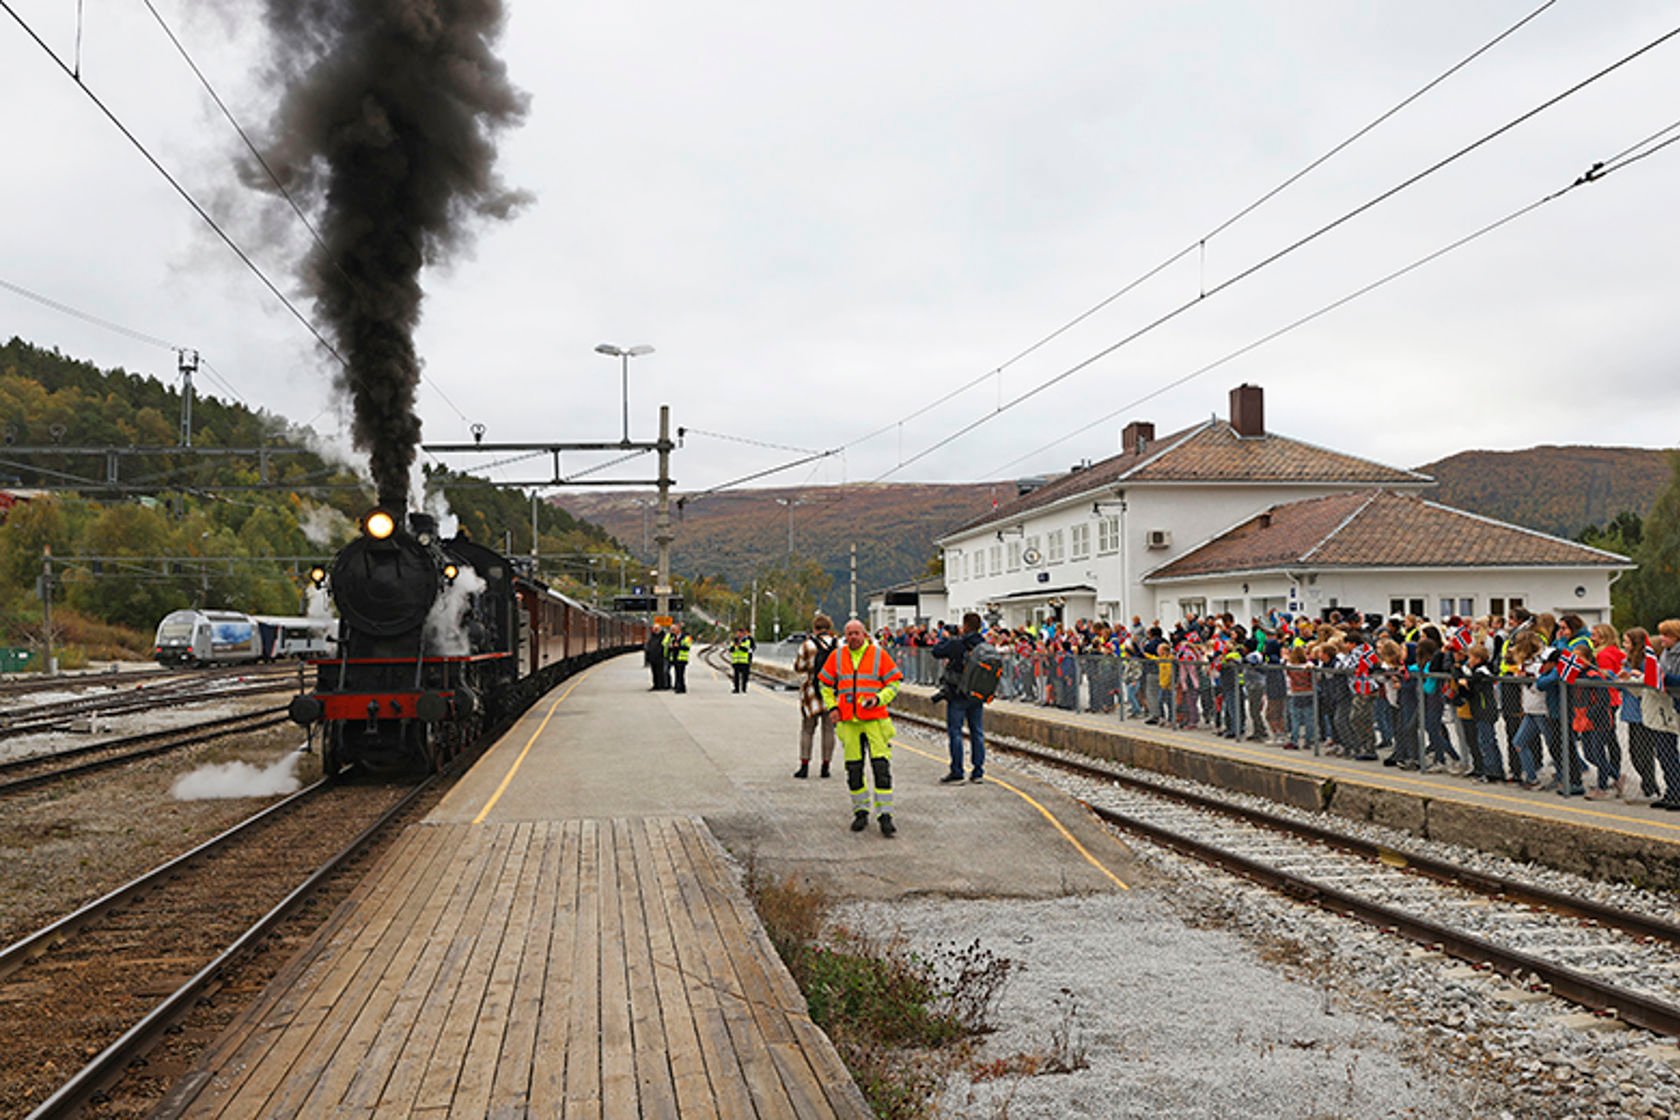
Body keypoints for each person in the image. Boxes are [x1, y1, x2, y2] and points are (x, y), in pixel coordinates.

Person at [818, 618, 902, 836]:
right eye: (849, 633)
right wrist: (832, 707)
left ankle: (885, 816)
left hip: (875, 721)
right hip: (849, 723)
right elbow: (825, 684)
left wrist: (879, 698)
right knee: (854, 771)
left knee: (881, 770)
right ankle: (861, 812)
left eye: (857, 633)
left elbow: (894, 683)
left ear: (865, 635)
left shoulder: (878, 655)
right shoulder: (837, 657)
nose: (853, 637)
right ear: (845, 636)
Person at [933, 612, 987, 783]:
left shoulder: (958, 643)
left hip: (957, 694)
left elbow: (936, 651)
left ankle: (957, 771)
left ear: (964, 626)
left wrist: (947, 637)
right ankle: (978, 771)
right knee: (977, 732)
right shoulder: (983, 645)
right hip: (977, 694)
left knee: (956, 732)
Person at [793, 615, 838, 779]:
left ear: (815, 628)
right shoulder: (838, 645)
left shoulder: (808, 645)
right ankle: (825, 767)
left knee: (807, 730)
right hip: (832, 692)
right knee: (829, 731)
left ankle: (804, 766)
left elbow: (799, 667)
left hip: (812, 692)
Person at [666, 622, 692, 694]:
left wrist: (679, 646)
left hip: (682, 658)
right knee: (677, 673)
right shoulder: (672, 637)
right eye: (672, 630)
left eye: (674, 630)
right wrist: (670, 647)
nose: (673, 631)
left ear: (679, 630)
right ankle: (679, 687)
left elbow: (687, 647)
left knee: (681, 674)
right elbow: (668, 645)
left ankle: (680, 687)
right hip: (675, 657)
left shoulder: (686, 637)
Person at [728, 626, 755, 693]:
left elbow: (746, 649)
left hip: (744, 661)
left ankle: (744, 688)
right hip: (736, 661)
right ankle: (736, 689)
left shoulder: (747, 641)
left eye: (740, 633)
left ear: (743, 634)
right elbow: (731, 650)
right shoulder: (734, 641)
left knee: (745, 676)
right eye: (738, 633)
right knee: (736, 676)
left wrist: (739, 645)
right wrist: (735, 645)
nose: (739, 635)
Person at [645, 624, 669, 691]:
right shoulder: (652, 637)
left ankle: (661, 686)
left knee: (660, 672)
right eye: (654, 628)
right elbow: (648, 646)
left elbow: (665, 646)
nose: (655, 630)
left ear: (660, 629)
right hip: (653, 657)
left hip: (661, 657)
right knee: (654, 672)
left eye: (657, 628)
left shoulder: (663, 636)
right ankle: (655, 685)